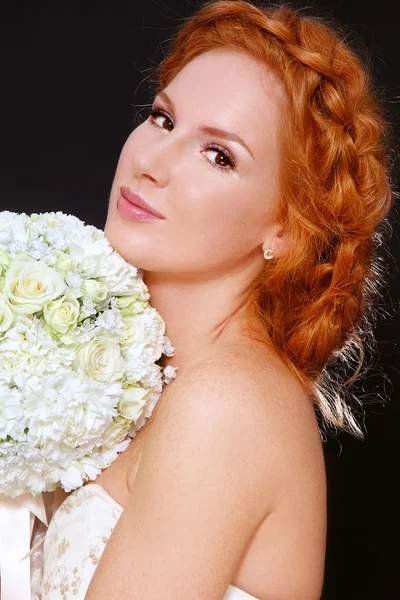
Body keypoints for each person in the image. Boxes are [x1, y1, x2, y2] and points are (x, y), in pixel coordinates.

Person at [40, 1, 395, 598]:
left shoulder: (224, 405)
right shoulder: (150, 376)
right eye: (162, 119)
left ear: (285, 227)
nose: (153, 164)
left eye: (219, 155)